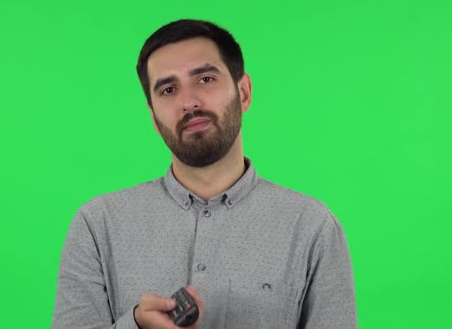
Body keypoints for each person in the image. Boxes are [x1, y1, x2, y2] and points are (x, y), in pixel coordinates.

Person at [52, 19, 357, 329]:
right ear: (154, 118)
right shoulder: (96, 225)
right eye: (168, 89)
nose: (189, 102)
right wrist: (135, 325)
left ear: (244, 92)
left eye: (206, 79)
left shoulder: (313, 227)